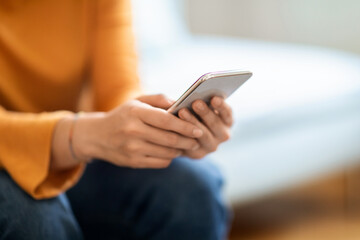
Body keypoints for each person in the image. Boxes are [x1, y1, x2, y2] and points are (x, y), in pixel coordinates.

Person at [0, 1, 233, 239]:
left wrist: (153, 128)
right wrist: (80, 135)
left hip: (72, 157)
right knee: (32, 219)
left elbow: (117, 90)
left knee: (190, 187)